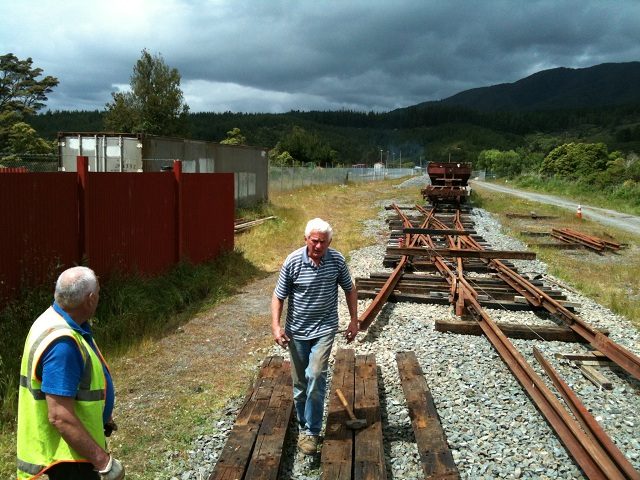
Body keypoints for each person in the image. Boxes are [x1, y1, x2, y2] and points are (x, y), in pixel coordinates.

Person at [17, 266, 125, 480]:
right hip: (66, 461)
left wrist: (102, 414)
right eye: (99, 294)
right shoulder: (62, 344)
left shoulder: (57, 321)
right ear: (91, 298)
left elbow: (80, 387)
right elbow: (59, 416)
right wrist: (103, 462)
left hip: (72, 454)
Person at [271, 218, 359, 455]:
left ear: (330, 242)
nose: (318, 246)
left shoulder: (337, 260)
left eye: (323, 242)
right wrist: (276, 327)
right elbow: (278, 297)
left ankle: (312, 431)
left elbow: (350, 289)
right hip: (296, 332)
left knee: (316, 375)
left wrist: (354, 320)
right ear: (306, 239)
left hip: (324, 329)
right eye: (314, 241)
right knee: (300, 385)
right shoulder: (292, 262)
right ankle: (304, 424)